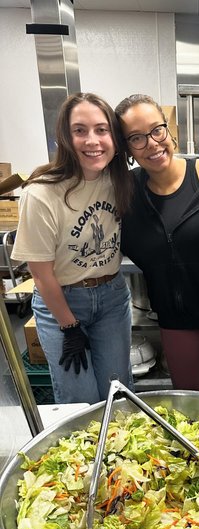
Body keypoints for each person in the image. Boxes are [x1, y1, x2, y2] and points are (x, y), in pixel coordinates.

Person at [12, 92, 133, 404]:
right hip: (62, 302)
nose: (92, 140)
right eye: (80, 130)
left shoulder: (118, 179)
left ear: (115, 138)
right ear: (65, 137)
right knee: (80, 401)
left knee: (117, 394)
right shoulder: (42, 193)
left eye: (101, 129)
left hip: (111, 298)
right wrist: (69, 326)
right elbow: (41, 275)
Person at [115, 94, 199, 397]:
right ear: (126, 147)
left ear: (169, 130)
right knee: (191, 403)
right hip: (175, 319)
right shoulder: (125, 193)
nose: (152, 143)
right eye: (137, 138)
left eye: (157, 130)